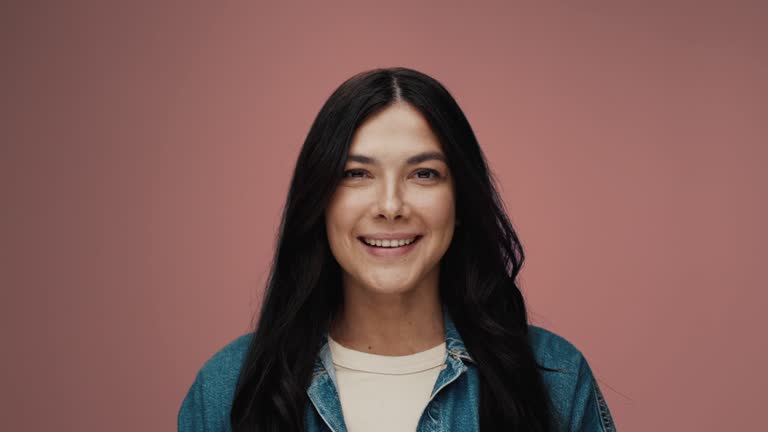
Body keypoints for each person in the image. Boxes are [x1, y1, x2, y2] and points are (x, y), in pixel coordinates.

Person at [178, 67, 616, 432]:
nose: (390, 206)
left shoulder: (554, 377)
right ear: (320, 201)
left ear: (460, 200)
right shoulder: (227, 389)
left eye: (424, 174)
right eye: (356, 174)